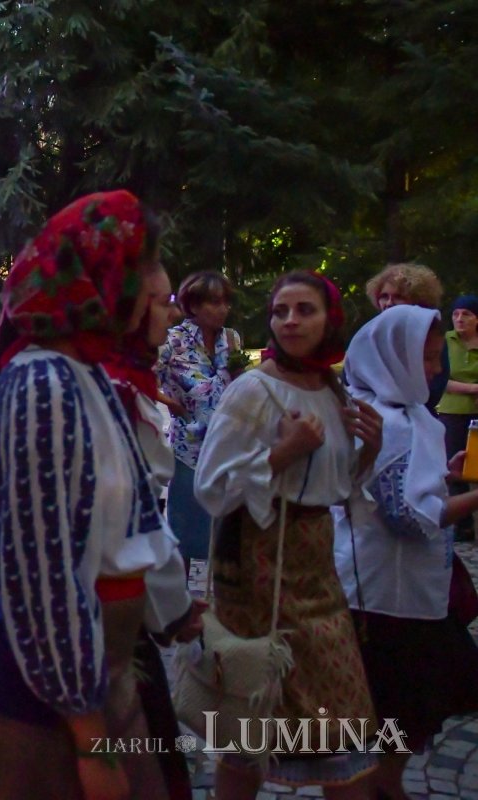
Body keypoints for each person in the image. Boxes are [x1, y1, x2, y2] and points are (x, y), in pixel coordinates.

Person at [0, 190, 201, 800]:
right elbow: (42, 577)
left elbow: (133, 518)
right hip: (49, 702)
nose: (164, 294)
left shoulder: (88, 373)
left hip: (102, 680)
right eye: (149, 267)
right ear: (105, 275)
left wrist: (176, 611)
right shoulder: (43, 385)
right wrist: (92, 742)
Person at [194, 271, 383, 799]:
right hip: (259, 567)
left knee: (337, 719)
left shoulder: (332, 387)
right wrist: (282, 451)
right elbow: (211, 488)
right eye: (281, 311)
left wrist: (369, 448)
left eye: (305, 310)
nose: (292, 321)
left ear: (330, 319)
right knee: (252, 714)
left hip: (316, 564)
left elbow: (336, 486)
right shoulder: (253, 390)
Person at [333, 304, 478, 800]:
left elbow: (413, 490)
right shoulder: (387, 422)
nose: (437, 371)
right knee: (393, 713)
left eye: (439, 360)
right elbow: (410, 517)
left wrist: (448, 476)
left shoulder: (413, 415)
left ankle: (384, 786)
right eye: (429, 361)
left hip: (411, 593)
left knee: (404, 719)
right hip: (385, 600)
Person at [156, 270, 241, 570]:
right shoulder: (173, 340)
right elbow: (140, 377)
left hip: (228, 445)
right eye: (214, 302)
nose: (222, 309)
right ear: (193, 305)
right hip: (189, 447)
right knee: (188, 534)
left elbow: (238, 384)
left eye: (225, 302)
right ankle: (180, 601)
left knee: (225, 534)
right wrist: (171, 403)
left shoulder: (231, 339)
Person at [364, 262, 448, 408]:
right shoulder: (368, 336)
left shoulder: (432, 339)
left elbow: (433, 390)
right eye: (384, 296)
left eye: (398, 297)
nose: (389, 303)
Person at [436, 294, 478, 541]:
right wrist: (473, 389)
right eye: (456, 314)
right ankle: (463, 525)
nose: (460, 319)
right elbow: (440, 379)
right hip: (451, 411)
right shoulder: (445, 342)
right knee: (454, 466)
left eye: (467, 314)